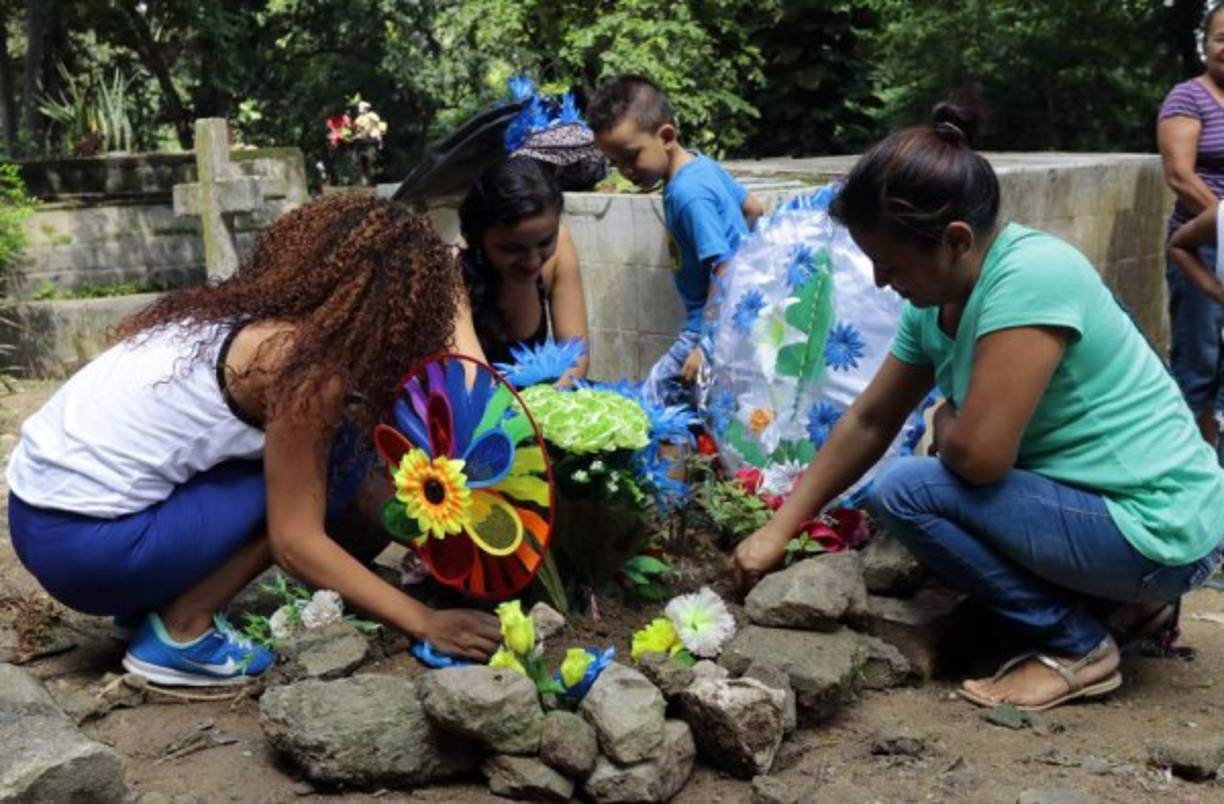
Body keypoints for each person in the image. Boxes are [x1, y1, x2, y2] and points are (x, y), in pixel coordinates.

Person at [731, 98, 1224, 712]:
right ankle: (1130, 607)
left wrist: (944, 417)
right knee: (926, 470)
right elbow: (870, 418)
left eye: (891, 264)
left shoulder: (1032, 277)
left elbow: (979, 460)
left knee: (907, 490)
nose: (883, 283)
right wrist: (778, 529)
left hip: (1161, 526)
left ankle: (1077, 645)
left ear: (956, 240)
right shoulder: (932, 306)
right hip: (1128, 522)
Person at [5, 194, 502, 686]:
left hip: (37, 518)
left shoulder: (242, 316)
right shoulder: (300, 366)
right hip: (86, 550)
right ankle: (180, 633)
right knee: (319, 476)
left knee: (336, 453)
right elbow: (295, 543)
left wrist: (454, 551)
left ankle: (154, 598)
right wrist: (426, 622)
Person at [587, 75, 764, 409]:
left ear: (666, 136)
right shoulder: (703, 165)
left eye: (631, 156)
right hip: (735, 316)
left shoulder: (688, 193)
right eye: (615, 163)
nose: (625, 171)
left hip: (709, 326)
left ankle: (673, 463)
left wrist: (706, 345)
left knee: (656, 402)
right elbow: (753, 207)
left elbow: (723, 269)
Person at [1158, 1, 1224, 454]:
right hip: (1199, 248)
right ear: (1205, 45)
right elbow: (1180, 176)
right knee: (1199, 363)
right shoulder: (1187, 97)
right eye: (1222, 38)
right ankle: (1183, 467)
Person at [457, 156, 590, 381]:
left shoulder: (560, 248)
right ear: (479, 238)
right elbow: (473, 382)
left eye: (545, 242)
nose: (532, 261)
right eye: (511, 249)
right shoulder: (455, 271)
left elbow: (575, 358)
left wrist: (551, 403)